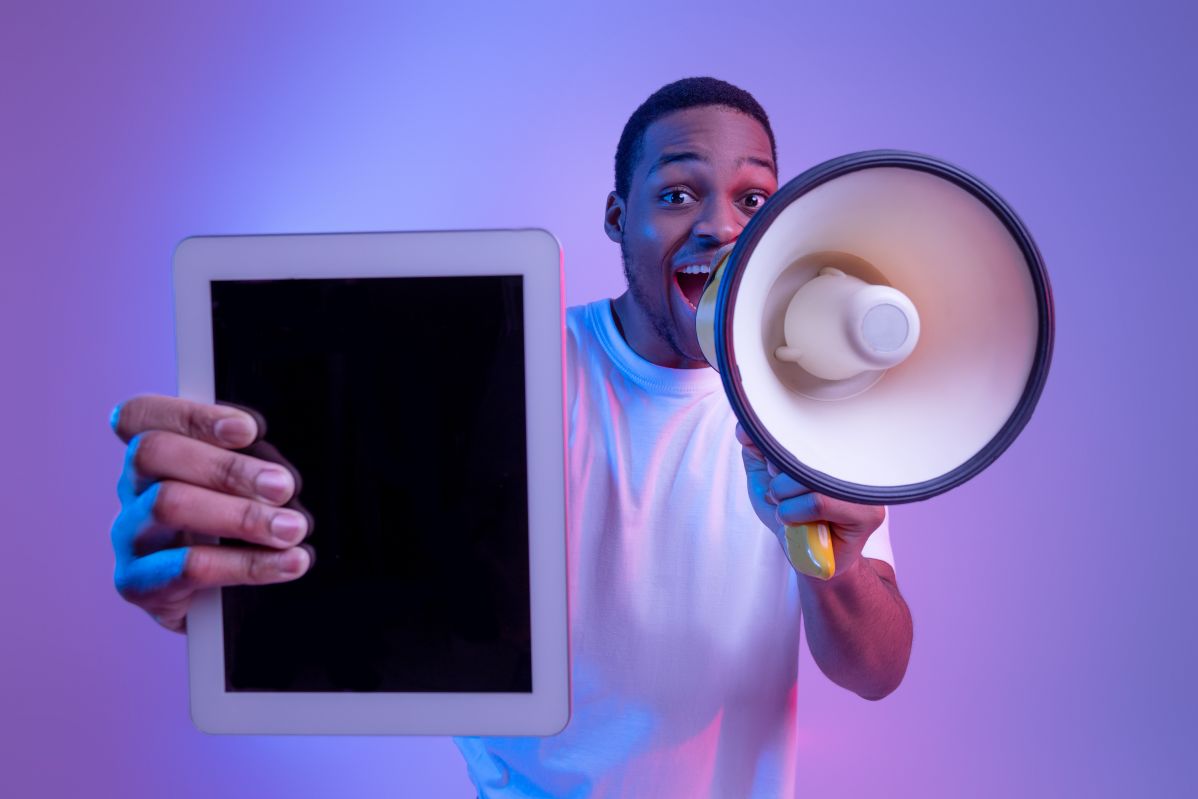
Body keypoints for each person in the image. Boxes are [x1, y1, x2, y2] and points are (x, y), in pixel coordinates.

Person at [110, 77, 912, 798]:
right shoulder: (504, 367)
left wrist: (828, 562)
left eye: (751, 199)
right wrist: (208, 589)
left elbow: (877, 668)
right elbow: (354, 557)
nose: (717, 225)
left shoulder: (808, 404)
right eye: (676, 194)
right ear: (616, 216)